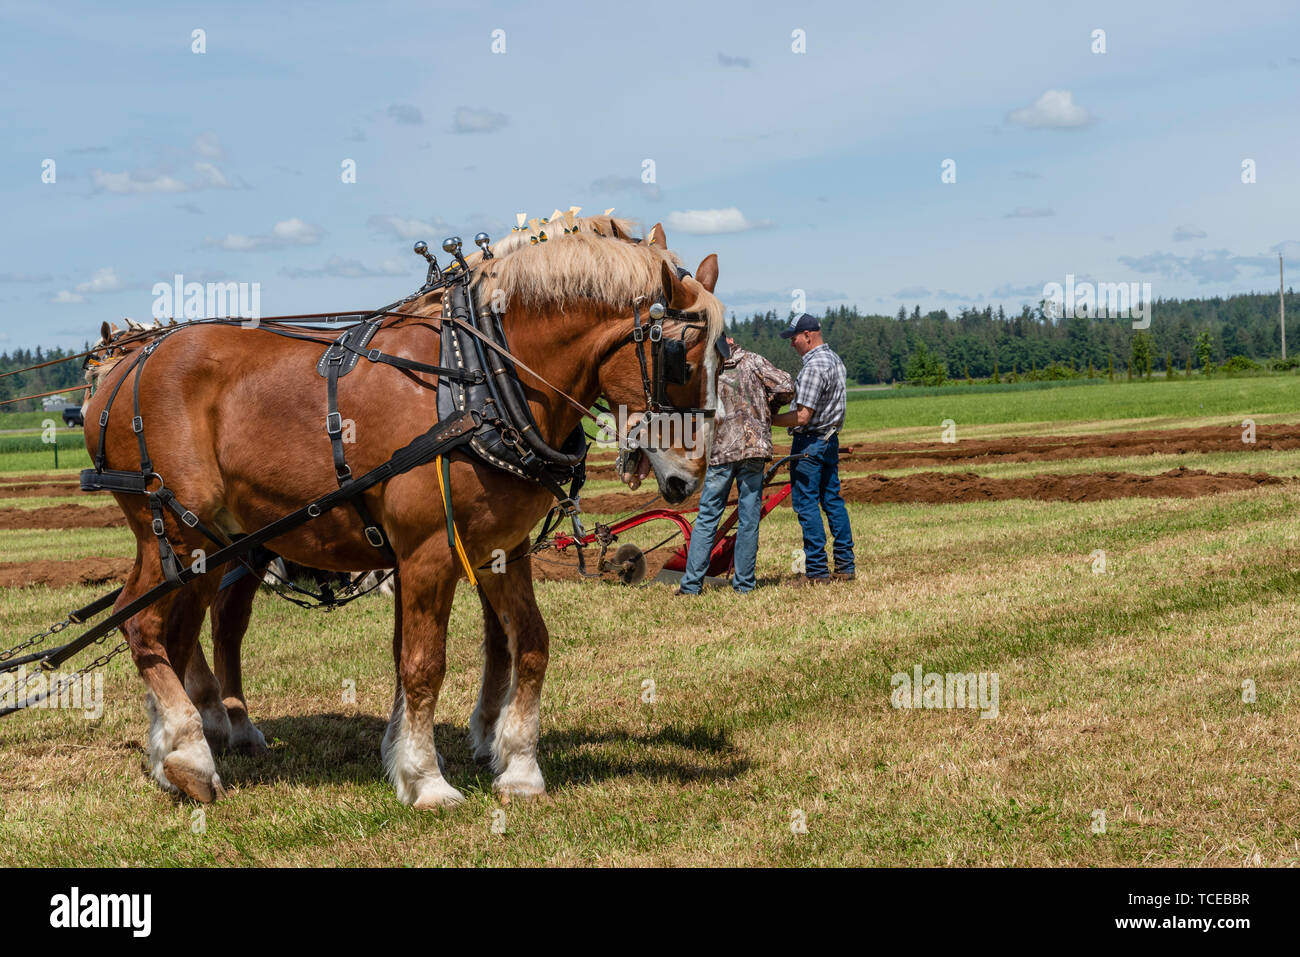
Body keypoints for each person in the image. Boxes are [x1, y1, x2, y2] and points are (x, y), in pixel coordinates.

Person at [675, 336, 794, 595]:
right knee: (749, 519)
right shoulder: (754, 361)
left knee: (708, 517)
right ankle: (744, 585)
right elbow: (786, 385)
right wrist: (768, 409)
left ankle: (692, 585)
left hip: (721, 452)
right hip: (753, 449)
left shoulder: (709, 369)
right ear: (732, 342)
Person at [771, 314, 855, 585]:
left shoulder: (813, 367)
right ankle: (845, 566)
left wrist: (768, 419)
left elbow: (802, 416)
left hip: (810, 443)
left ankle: (817, 572)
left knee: (806, 505)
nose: (791, 344)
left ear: (808, 335)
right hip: (830, 441)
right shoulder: (835, 361)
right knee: (832, 501)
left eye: (793, 338)